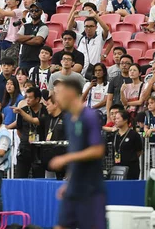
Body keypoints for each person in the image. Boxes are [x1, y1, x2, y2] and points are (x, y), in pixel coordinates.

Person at [49, 78, 106, 229]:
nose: (56, 97)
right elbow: (75, 150)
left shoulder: (89, 116)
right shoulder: (68, 118)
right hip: (73, 186)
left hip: (91, 188)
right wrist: (68, 183)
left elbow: (97, 150)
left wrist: (66, 158)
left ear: (71, 93)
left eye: (59, 93)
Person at [16, 2, 49, 69]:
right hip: (24, 59)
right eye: (31, 10)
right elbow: (17, 38)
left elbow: (37, 41)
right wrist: (31, 36)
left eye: (36, 10)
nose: (34, 12)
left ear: (41, 12)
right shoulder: (25, 26)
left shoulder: (43, 27)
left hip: (36, 60)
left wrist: (23, 41)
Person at [112, 109, 142, 179]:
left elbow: (139, 151)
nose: (115, 120)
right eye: (115, 118)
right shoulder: (115, 134)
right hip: (117, 168)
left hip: (131, 168)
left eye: (118, 118)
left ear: (125, 120)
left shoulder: (134, 135)